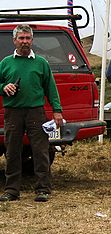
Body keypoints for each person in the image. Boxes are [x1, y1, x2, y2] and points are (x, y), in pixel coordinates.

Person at [0, 24, 64, 203]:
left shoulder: (41, 63)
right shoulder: (5, 63)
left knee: (41, 151)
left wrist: (57, 111)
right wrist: (3, 87)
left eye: (28, 38)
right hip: (13, 112)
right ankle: (12, 190)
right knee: (12, 151)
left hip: (36, 112)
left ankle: (43, 189)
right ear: (14, 41)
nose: (25, 41)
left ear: (32, 40)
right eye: (21, 38)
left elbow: (51, 88)